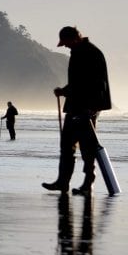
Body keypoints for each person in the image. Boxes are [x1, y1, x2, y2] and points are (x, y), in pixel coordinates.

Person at [43, 26, 112, 196]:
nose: (65, 46)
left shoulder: (91, 53)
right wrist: (64, 91)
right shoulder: (79, 51)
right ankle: (63, 182)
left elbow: (94, 83)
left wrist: (91, 108)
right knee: (66, 146)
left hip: (87, 108)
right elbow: (79, 82)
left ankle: (88, 183)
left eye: (65, 43)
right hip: (75, 106)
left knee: (87, 148)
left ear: (74, 38)